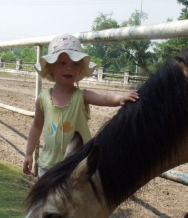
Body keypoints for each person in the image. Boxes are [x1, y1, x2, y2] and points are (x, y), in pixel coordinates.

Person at [22, 34, 139, 176]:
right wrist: (28, 154)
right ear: (51, 67)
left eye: (75, 63)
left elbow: (103, 98)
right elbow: (36, 126)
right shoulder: (43, 99)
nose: (69, 68)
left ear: (80, 70)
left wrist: (121, 99)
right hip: (49, 165)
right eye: (62, 63)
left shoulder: (82, 96)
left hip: (77, 165)